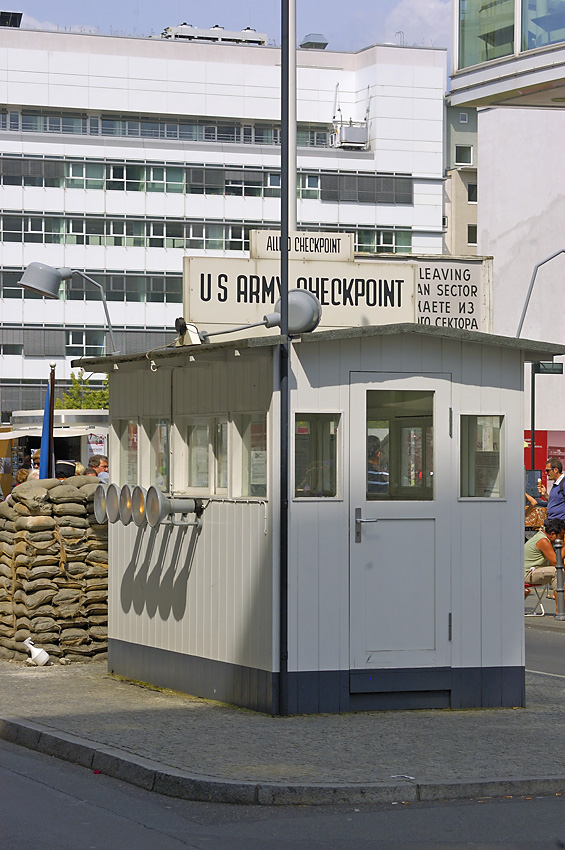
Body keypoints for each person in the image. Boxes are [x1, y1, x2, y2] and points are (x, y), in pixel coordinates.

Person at [524, 517, 565, 601]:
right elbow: (556, 563)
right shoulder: (543, 541)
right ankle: (560, 610)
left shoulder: (544, 537)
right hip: (527, 573)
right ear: (553, 534)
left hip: (535, 570)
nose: (562, 539)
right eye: (561, 537)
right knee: (557, 571)